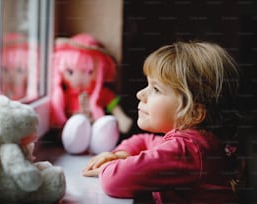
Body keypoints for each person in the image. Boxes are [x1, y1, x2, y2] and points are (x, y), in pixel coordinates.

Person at [83, 41, 243, 203]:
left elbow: (115, 181)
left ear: (194, 112)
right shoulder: (197, 143)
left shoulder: (186, 150)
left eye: (156, 89)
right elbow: (143, 140)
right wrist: (121, 154)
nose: (140, 94)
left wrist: (109, 166)